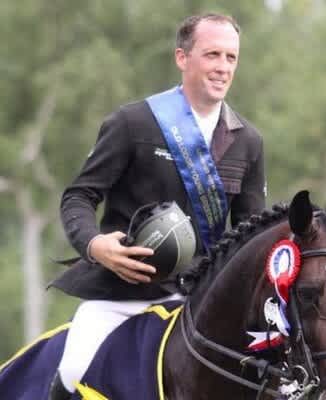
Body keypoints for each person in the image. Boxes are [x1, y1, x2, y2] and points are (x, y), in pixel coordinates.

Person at [48, 13, 266, 400]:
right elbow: (78, 197)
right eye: (212, 54)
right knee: (73, 369)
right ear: (182, 57)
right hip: (121, 296)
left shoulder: (249, 141)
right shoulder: (132, 123)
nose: (223, 67)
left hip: (197, 302)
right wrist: (96, 246)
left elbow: (249, 236)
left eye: (231, 57)